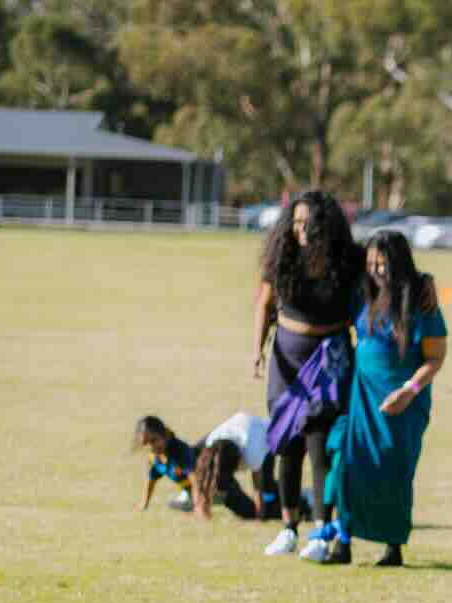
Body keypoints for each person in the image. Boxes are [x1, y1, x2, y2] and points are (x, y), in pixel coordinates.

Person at [253, 189, 364, 562]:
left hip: (328, 362)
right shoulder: (281, 259)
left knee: (319, 448)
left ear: (326, 226)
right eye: (296, 222)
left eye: (309, 223)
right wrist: (258, 349)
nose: (301, 229)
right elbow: (264, 304)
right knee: (287, 445)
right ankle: (287, 528)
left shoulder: (347, 263)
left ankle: (320, 531)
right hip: (286, 360)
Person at [324, 229, 447, 567]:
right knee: (347, 461)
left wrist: (409, 390)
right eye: (371, 263)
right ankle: (342, 540)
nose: (376, 270)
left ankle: (393, 546)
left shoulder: (421, 302)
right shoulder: (361, 294)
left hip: (404, 402)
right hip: (360, 396)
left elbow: (436, 357)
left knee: (394, 470)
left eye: (383, 264)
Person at [131, 415, 261, 521]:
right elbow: (151, 479)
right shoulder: (155, 457)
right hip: (193, 492)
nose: (151, 447)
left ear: (165, 434)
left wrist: (202, 508)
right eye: (145, 443)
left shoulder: (180, 451)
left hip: (216, 485)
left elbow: (196, 481)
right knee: (174, 505)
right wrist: (144, 503)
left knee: (249, 513)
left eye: (154, 440)